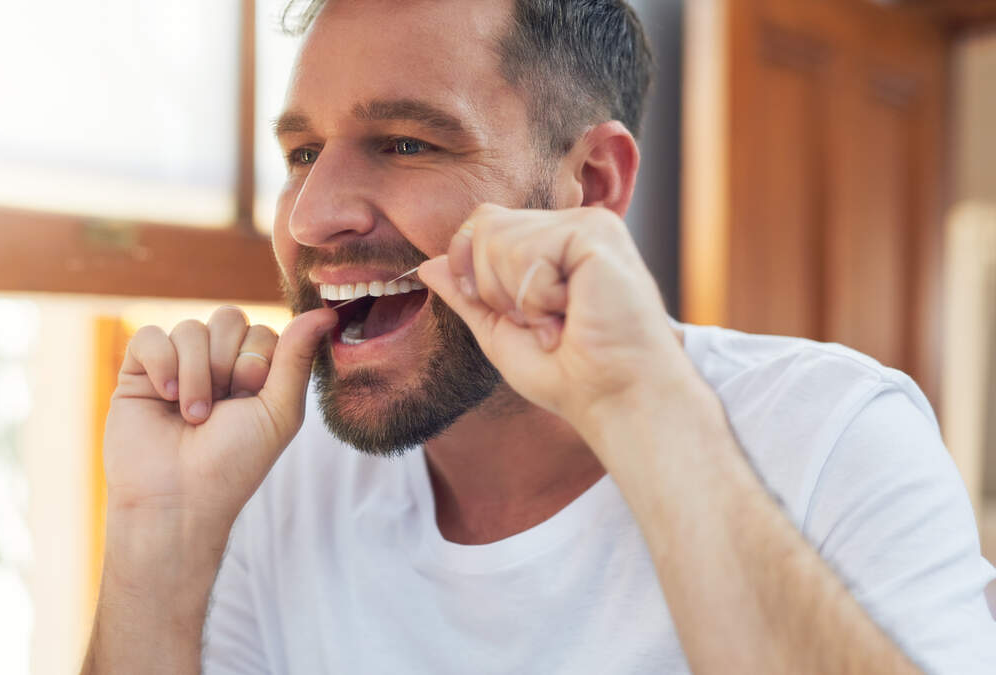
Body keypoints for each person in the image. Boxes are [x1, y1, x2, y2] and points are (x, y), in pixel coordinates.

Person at [82, 1, 996, 672]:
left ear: (590, 184)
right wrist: (156, 543)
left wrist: (642, 408)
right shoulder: (275, 475)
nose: (311, 217)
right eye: (303, 154)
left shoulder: (836, 437)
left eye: (406, 143)